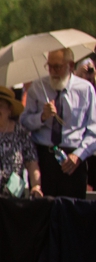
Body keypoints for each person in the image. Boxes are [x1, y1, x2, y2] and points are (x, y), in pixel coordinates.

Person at [19, 47, 96, 197]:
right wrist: (42, 116)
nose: (53, 71)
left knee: (71, 212)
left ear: (71, 66)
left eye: (58, 67)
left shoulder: (85, 90)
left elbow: (93, 130)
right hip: (44, 158)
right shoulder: (38, 87)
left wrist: (79, 155)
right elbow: (24, 122)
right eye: (50, 66)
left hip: (73, 159)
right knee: (44, 212)